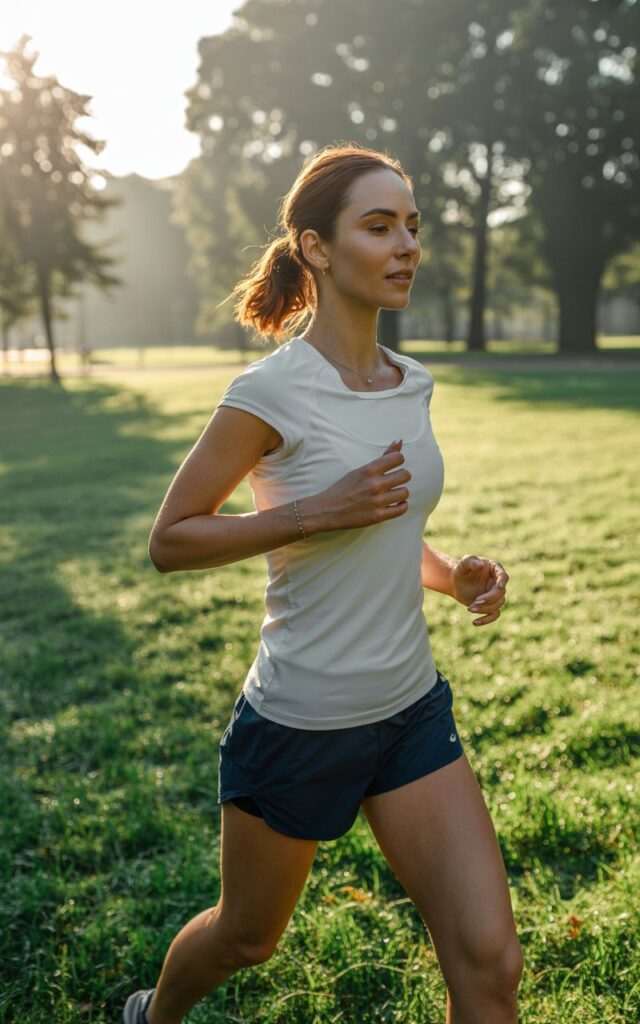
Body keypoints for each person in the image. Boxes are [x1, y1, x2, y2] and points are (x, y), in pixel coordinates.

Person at [124, 142, 522, 1024]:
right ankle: (152, 1014)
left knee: (490, 965)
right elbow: (171, 540)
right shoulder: (271, 391)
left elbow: (388, 527)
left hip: (411, 712)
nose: (406, 244)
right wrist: (313, 513)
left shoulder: (408, 383)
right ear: (315, 247)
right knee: (245, 938)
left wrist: (451, 574)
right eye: (379, 226)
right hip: (301, 722)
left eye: (412, 226)